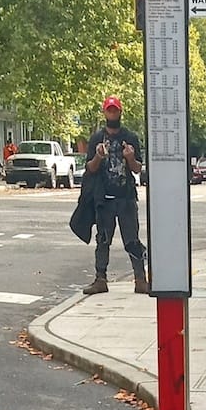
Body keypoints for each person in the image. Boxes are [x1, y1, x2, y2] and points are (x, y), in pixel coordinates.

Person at [82, 97, 147, 295]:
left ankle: (140, 279)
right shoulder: (97, 138)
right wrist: (98, 156)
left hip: (126, 198)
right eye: (109, 110)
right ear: (104, 112)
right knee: (103, 239)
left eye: (115, 110)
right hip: (104, 199)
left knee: (132, 240)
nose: (112, 114)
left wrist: (130, 157)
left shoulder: (130, 137)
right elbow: (90, 168)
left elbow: (138, 169)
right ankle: (100, 279)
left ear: (120, 112)